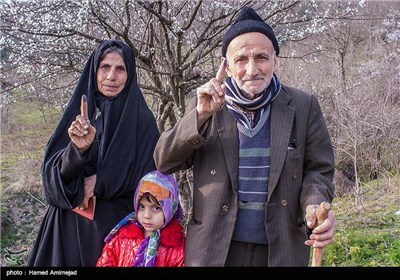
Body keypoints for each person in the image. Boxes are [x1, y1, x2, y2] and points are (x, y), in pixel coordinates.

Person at [154, 6, 336, 267]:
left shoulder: (302, 105)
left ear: (276, 61)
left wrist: (315, 205)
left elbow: (318, 170)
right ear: (227, 66)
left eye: (261, 57)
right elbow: (164, 161)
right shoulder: (206, 103)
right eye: (241, 59)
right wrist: (200, 116)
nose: (252, 70)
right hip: (215, 248)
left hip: (280, 247)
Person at [27, 39, 160, 267]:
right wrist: (77, 149)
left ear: (130, 75)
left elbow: (150, 179)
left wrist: (102, 181)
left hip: (112, 232)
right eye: (105, 67)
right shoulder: (79, 115)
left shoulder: (142, 122)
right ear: (94, 71)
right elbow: (52, 176)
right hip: (67, 227)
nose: (111, 76)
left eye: (120, 69)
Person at [96, 170, 185, 267]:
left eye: (156, 208)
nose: (146, 215)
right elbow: (106, 261)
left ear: (170, 208)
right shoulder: (123, 236)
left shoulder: (176, 246)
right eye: (142, 206)